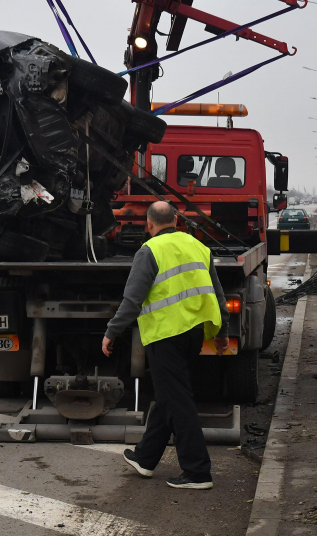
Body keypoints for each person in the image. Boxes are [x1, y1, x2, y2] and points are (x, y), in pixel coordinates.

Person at [101, 201, 230, 490]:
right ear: (176, 221)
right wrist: (223, 331)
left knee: (177, 400)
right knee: (169, 394)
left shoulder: (149, 251)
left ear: (149, 224)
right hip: (195, 332)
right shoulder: (198, 246)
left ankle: (197, 472)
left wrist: (111, 332)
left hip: (165, 334)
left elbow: (132, 300)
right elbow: (218, 295)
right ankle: (146, 458)